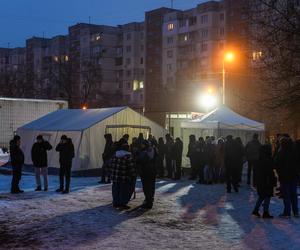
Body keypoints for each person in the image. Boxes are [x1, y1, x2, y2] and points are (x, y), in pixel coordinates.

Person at [275, 137, 299, 218]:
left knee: (286, 195)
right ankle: (296, 212)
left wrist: (279, 173)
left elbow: (276, 164)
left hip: (284, 177)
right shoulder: (295, 152)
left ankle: (287, 212)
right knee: (293, 194)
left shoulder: (281, 152)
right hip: (294, 176)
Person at [109, 141, 136, 209]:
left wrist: (112, 172)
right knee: (124, 191)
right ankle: (122, 204)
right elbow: (131, 167)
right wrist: (133, 175)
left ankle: (116, 203)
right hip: (124, 177)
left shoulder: (115, 155)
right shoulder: (128, 156)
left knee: (115, 190)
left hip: (115, 177)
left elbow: (109, 164)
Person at [252, 145, 276, 218]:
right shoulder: (269, 159)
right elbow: (271, 169)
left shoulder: (259, 159)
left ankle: (256, 210)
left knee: (262, 196)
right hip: (267, 180)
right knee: (267, 196)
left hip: (261, 180)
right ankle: (265, 212)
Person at [138, 140, 156, 209]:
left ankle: (148, 202)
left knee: (147, 187)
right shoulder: (153, 150)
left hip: (146, 171)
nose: (141, 146)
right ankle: (150, 199)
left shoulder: (145, 152)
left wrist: (138, 159)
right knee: (151, 186)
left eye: (142, 144)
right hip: (152, 171)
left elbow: (142, 160)